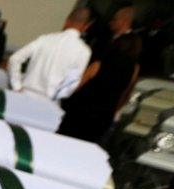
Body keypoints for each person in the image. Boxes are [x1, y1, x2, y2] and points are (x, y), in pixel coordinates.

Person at [58, 6, 142, 143]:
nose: (111, 22)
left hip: (81, 111)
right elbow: (126, 93)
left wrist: (64, 97)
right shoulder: (134, 66)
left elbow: (83, 79)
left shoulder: (104, 54)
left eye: (114, 19)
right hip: (103, 116)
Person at [8, 7, 93, 100]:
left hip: (24, 94)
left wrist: (17, 85)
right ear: (87, 26)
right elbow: (72, 83)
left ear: (67, 20)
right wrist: (55, 97)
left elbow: (14, 59)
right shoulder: (84, 51)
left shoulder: (45, 39)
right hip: (48, 101)